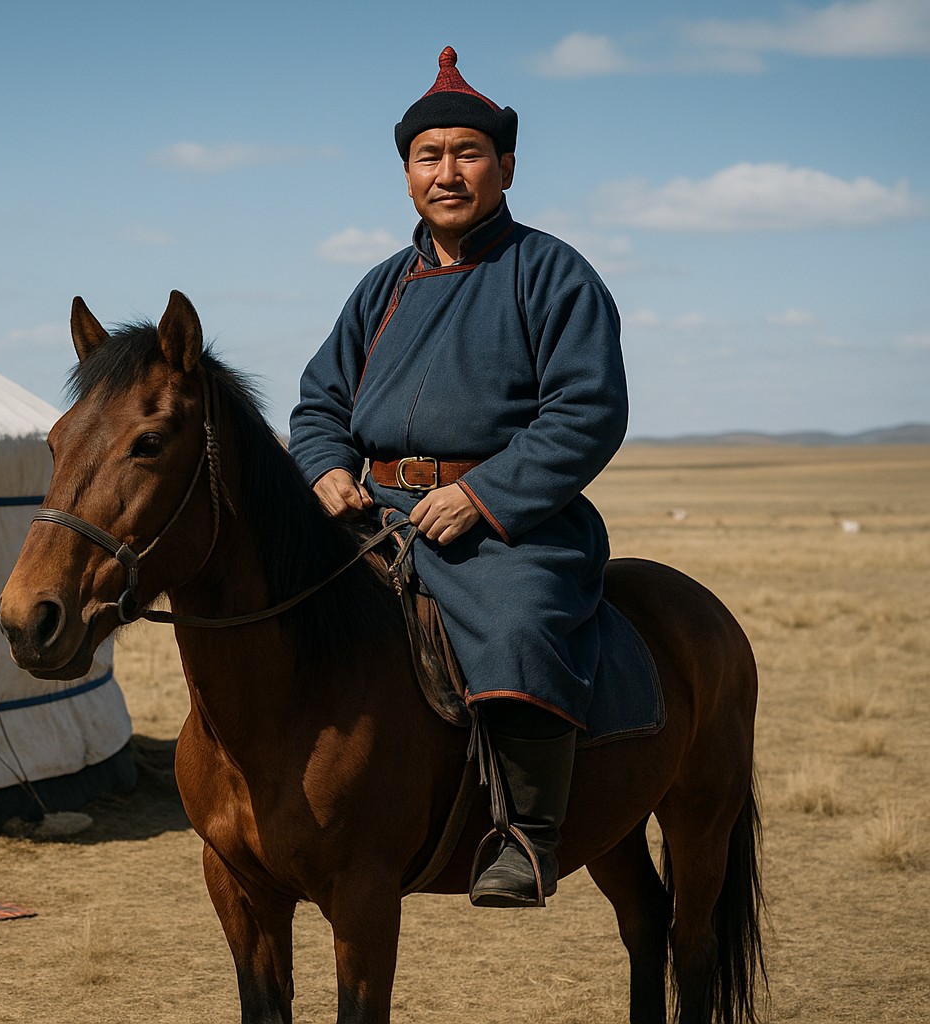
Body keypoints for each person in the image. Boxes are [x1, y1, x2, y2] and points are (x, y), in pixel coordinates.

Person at [289, 46, 629, 908]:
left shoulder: (552, 273)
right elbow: (319, 403)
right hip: (378, 511)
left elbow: (586, 411)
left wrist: (480, 495)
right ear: (406, 173)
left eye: (467, 153)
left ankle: (526, 834)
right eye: (428, 156)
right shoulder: (380, 288)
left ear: (505, 166)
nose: (448, 172)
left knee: (516, 619)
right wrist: (327, 468)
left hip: (510, 520)